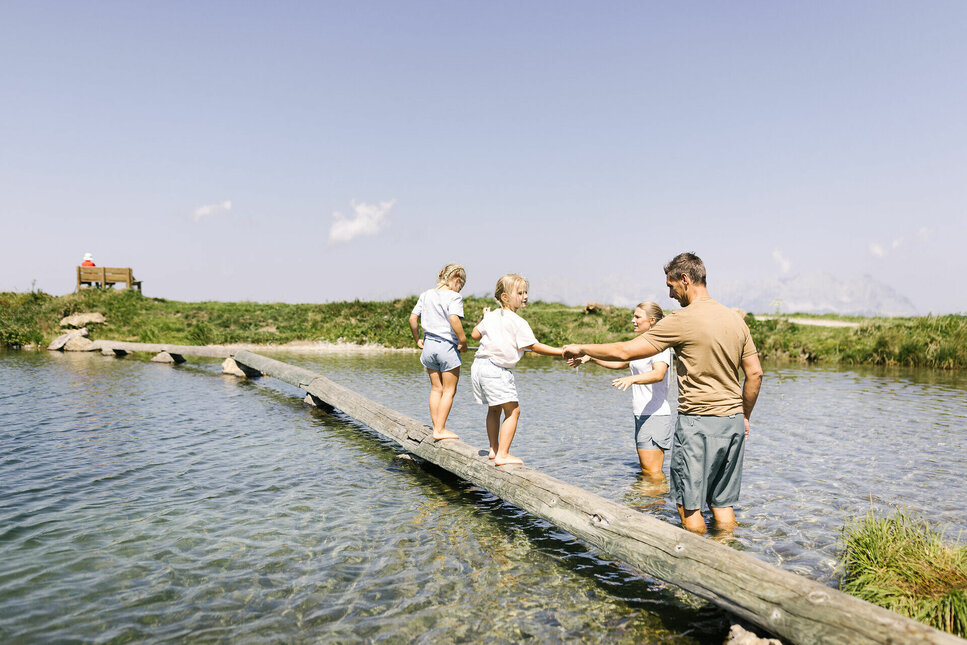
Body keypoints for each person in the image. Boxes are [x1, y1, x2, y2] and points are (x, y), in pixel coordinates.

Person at [563, 253, 763, 534]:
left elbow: (625, 351)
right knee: (722, 505)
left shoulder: (681, 319)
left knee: (688, 507)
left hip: (698, 422)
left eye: (671, 286)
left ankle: (693, 559)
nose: (670, 294)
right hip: (732, 422)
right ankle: (727, 550)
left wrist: (583, 347)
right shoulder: (735, 320)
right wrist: (744, 415)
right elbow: (755, 374)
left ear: (685, 279)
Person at [567, 301, 673, 480]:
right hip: (643, 414)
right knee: (647, 471)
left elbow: (659, 373)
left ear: (652, 321)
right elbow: (620, 363)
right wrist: (591, 358)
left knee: (652, 473)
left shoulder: (660, 346)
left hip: (655, 415)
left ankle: (655, 499)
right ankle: (648, 498)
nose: (633, 320)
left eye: (637, 317)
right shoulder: (644, 345)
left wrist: (631, 379)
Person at [470, 274, 563, 466]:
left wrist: (485, 317)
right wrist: (561, 352)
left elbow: (474, 335)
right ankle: (503, 454)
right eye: (520, 293)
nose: (525, 296)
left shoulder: (491, 316)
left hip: (479, 366)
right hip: (496, 370)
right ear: (505, 297)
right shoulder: (518, 322)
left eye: (526, 292)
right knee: (513, 411)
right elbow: (534, 346)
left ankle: (494, 449)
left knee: (494, 409)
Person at [409, 263, 469, 441]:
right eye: (460, 286)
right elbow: (454, 319)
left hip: (429, 346)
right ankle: (440, 429)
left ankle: (436, 427)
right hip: (446, 347)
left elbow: (413, 318)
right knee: (449, 391)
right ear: (456, 280)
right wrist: (463, 341)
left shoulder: (426, 294)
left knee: (436, 388)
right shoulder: (454, 297)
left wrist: (417, 339)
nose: (459, 290)